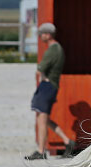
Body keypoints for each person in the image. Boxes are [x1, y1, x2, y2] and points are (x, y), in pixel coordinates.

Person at [25, 22, 75, 160]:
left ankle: (41, 151)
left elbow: (41, 68)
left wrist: (41, 74)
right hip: (51, 86)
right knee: (44, 119)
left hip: (47, 86)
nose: (40, 36)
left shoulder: (53, 49)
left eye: (42, 34)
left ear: (47, 34)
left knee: (42, 118)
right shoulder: (57, 49)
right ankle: (67, 141)